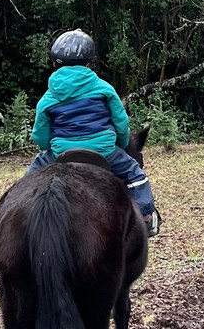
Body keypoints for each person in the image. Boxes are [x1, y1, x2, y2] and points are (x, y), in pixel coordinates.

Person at [26, 28, 161, 237]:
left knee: (29, 179)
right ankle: (146, 217)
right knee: (136, 175)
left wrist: (49, 148)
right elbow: (121, 123)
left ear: (56, 63)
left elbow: (40, 135)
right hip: (104, 151)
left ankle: (25, 214)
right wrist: (122, 143)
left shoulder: (48, 97)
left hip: (61, 154)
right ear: (88, 63)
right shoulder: (104, 88)